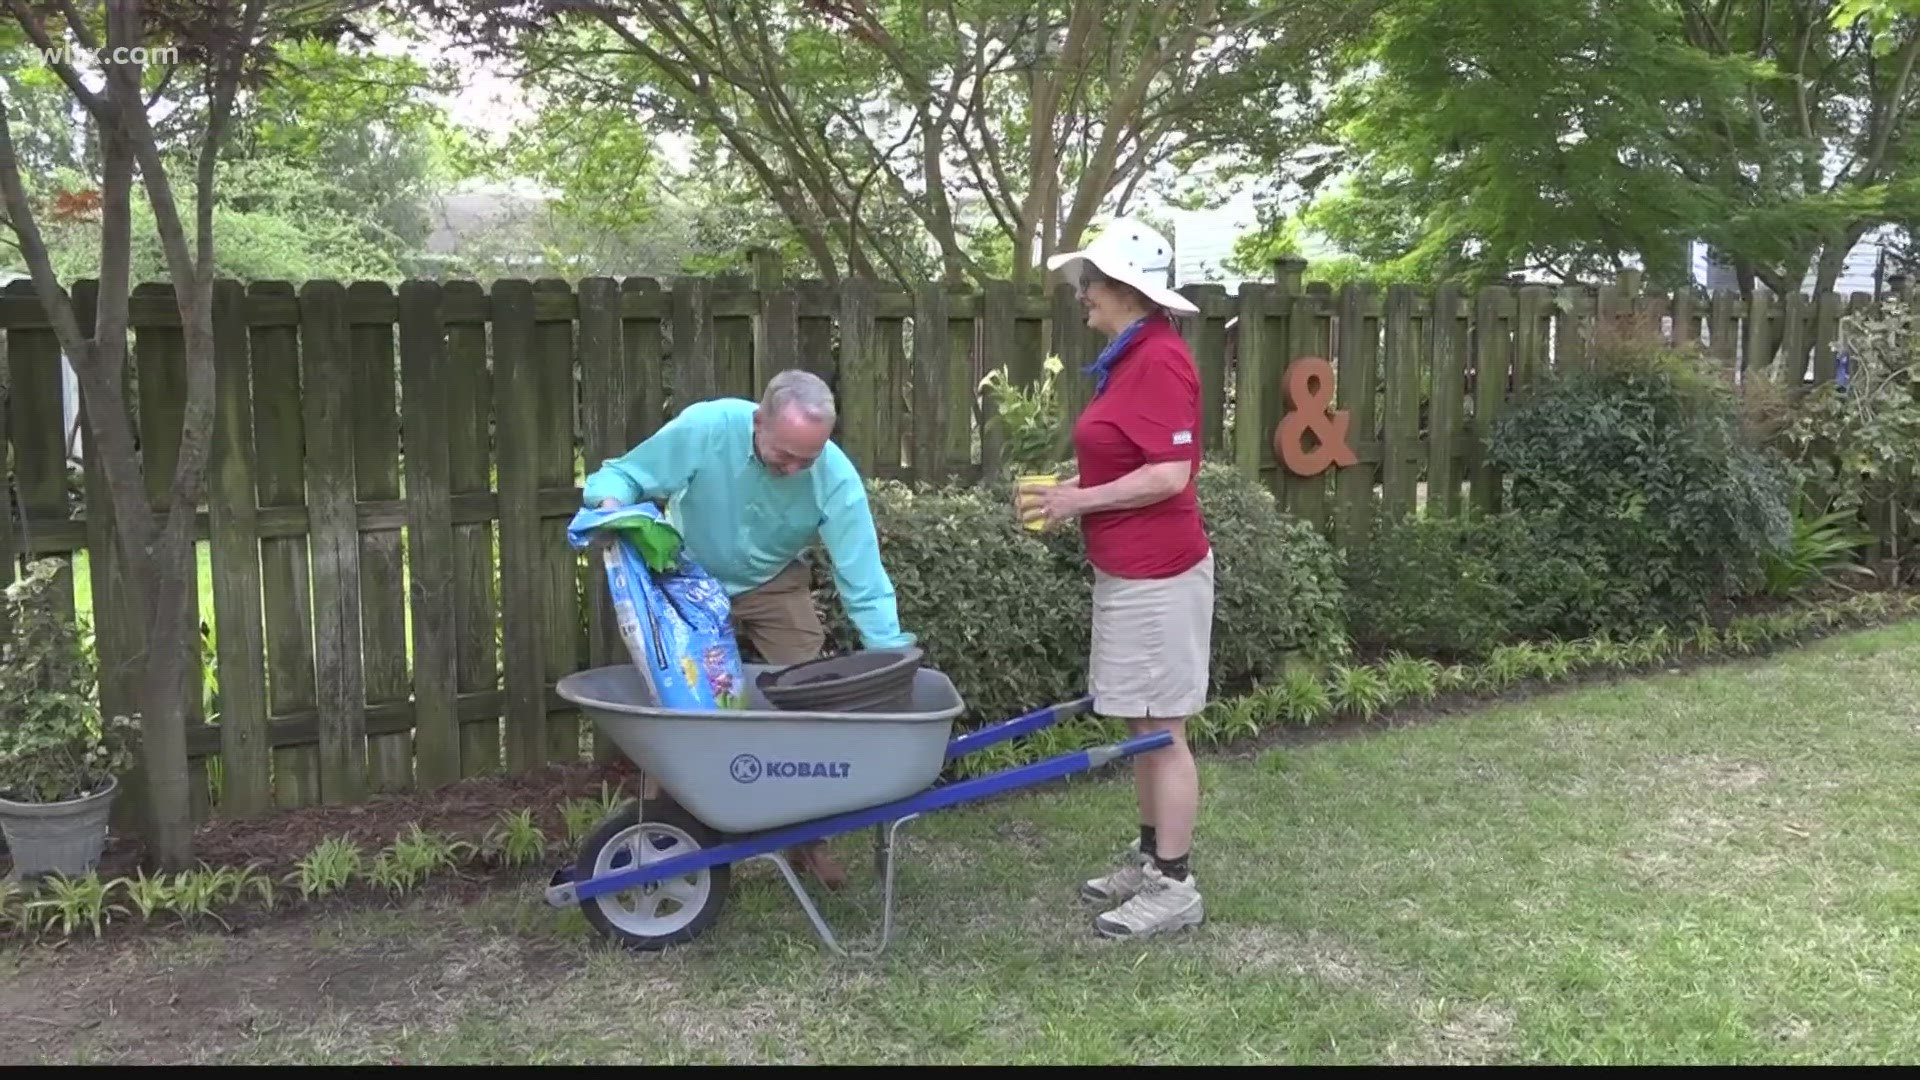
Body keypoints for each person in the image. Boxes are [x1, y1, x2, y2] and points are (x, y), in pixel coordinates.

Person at [583, 369, 916, 889]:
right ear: (758, 421)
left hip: (772, 583)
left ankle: (806, 836)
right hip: (687, 578)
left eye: (808, 459)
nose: (795, 469)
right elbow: (622, 476)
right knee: (677, 709)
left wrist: (893, 657)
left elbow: (864, 578)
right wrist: (611, 509)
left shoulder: (834, 477)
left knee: (808, 696)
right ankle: (661, 834)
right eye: (785, 454)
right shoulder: (708, 427)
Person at [1019, 218, 1213, 939]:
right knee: (1142, 723)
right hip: (1127, 570)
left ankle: (1175, 882)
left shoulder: (1159, 359)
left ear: (1124, 290)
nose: (1081, 297)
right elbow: (1130, 455)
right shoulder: (1129, 355)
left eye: (1088, 284)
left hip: (1163, 574)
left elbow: (1169, 474)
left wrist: (1078, 501)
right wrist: (1074, 484)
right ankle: (1149, 855)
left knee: (1163, 728)